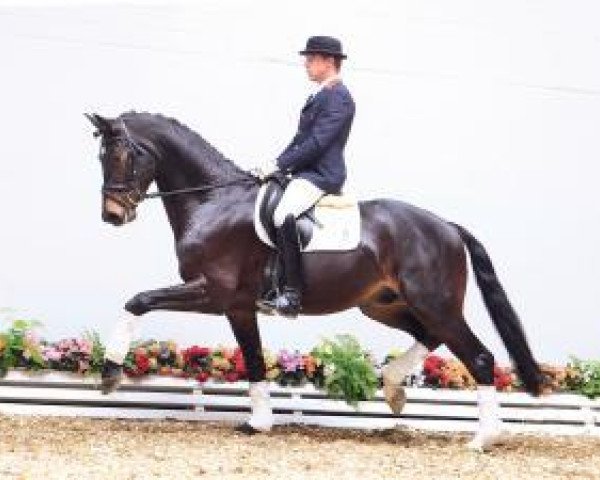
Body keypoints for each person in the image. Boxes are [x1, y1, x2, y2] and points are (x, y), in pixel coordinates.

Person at [254, 35, 356, 317]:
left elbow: (318, 143)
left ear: (329, 61)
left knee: (282, 214)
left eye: (311, 59)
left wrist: (279, 165)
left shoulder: (339, 97)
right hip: (305, 172)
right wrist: (273, 164)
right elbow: (300, 140)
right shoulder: (321, 94)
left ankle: (292, 293)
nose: (306, 64)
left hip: (322, 176)